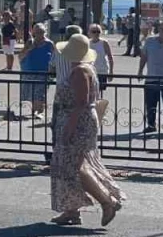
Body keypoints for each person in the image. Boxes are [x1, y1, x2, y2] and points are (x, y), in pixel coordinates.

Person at [50, 34, 125, 226]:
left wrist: (69, 127)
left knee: (75, 166)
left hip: (77, 121)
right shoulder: (86, 68)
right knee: (71, 164)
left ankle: (107, 201)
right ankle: (71, 210)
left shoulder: (80, 71)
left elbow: (81, 103)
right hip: (78, 120)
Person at [21, 24, 54, 120]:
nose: (40, 35)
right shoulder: (30, 42)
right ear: (34, 33)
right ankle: (35, 111)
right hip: (29, 71)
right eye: (37, 32)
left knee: (39, 94)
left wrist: (52, 69)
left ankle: (38, 112)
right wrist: (29, 49)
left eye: (42, 32)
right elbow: (20, 56)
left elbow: (54, 57)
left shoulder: (50, 44)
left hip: (43, 72)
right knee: (30, 94)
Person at [87, 24, 114, 90]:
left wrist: (111, 72)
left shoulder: (104, 43)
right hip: (90, 71)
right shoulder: (87, 43)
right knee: (90, 91)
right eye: (94, 32)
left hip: (102, 71)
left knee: (100, 91)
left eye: (98, 32)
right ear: (89, 33)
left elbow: (110, 57)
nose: (96, 33)